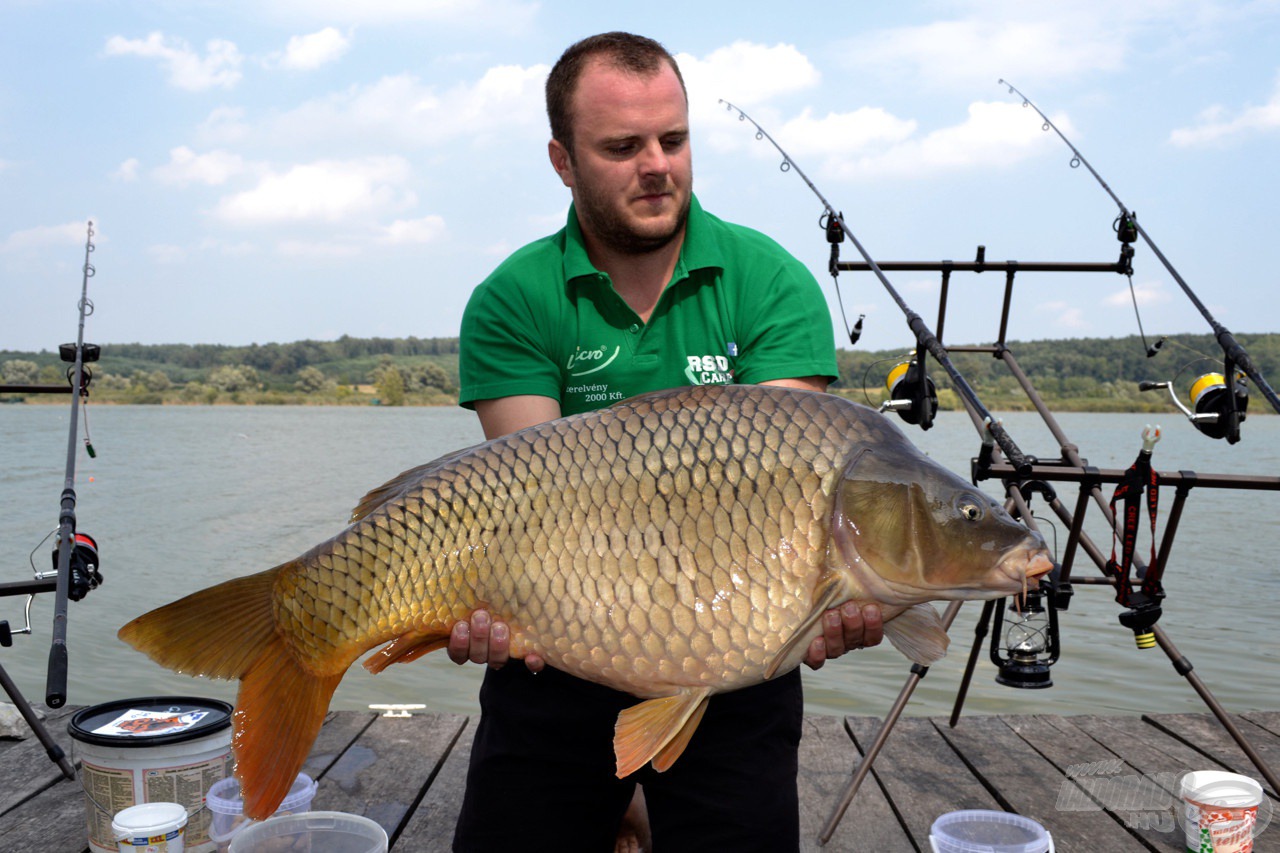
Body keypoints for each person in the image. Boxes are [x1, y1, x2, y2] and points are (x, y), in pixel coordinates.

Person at [451, 32, 883, 852]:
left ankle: (635, 815)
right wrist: (482, 600)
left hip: (735, 662)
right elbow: (525, 501)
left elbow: (782, 493)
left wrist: (845, 588)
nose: (657, 165)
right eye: (622, 147)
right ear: (563, 160)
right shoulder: (513, 297)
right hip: (557, 659)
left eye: (673, 140)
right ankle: (628, 814)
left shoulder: (770, 281)